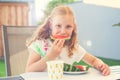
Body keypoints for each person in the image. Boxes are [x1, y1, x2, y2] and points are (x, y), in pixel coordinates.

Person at [25, 5, 110, 76]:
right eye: (58, 25)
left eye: (68, 26)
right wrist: (51, 56)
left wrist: (101, 66)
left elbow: (93, 60)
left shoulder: (72, 47)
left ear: (74, 27)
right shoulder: (40, 44)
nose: (63, 31)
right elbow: (29, 70)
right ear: (51, 25)